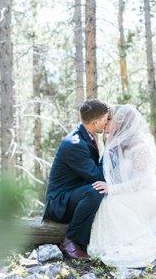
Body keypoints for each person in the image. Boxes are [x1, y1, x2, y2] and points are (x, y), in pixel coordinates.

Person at [88, 104, 156, 268]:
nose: (106, 123)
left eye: (109, 119)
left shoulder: (139, 147)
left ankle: (133, 243)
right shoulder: (116, 144)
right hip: (128, 191)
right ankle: (115, 242)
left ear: (121, 123)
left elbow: (140, 182)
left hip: (144, 195)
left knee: (111, 203)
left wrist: (112, 189)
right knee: (106, 201)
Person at [43, 99, 109, 260]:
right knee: (97, 190)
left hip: (74, 194)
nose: (107, 123)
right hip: (60, 204)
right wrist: (110, 149)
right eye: (106, 119)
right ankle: (70, 240)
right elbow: (98, 176)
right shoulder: (75, 144)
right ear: (96, 121)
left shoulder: (85, 136)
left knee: (100, 190)